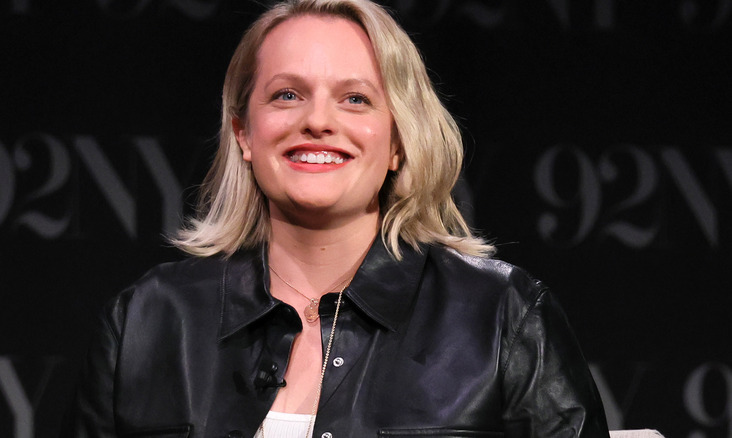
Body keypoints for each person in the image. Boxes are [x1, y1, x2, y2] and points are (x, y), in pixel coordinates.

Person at [65, 0, 610, 436]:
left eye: (354, 99)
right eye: (286, 95)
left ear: (398, 141)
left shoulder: (504, 317)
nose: (318, 120)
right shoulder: (147, 319)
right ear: (243, 135)